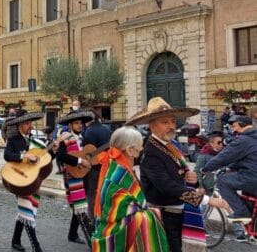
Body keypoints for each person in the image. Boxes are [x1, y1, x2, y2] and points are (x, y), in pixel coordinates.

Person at [130, 97, 229, 252]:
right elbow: (167, 186)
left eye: (173, 121)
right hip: (163, 215)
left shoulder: (170, 145)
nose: (171, 126)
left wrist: (193, 180)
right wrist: (206, 200)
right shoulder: (150, 152)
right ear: (152, 125)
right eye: (165, 122)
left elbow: (180, 172)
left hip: (176, 212)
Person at [92, 126, 169, 251]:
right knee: (147, 219)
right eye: (139, 146)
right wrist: (153, 213)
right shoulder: (119, 172)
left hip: (111, 225)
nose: (142, 149)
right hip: (115, 232)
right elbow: (121, 209)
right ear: (130, 150)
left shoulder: (117, 165)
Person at [4, 109, 55, 252]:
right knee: (27, 210)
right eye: (27, 123)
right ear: (20, 125)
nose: (30, 126)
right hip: (19, 180)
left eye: (30, 123)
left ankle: (15, 240)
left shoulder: (37, 141)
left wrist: (54, 151)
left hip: (34, 180)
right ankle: (36, 246)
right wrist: (24, 157)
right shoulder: (13, 140)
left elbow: (44, 160)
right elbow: (8, 156)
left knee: (25, 211)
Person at [201, 115, 257, 242]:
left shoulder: (243, 140)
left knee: (223, 181)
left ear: (241, 124)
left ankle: (242, 213)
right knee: (247, 196)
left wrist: (205, 169)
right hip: (253, 175)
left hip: (252, 177)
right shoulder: (253, 138)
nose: (233, 129)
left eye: (234, 125)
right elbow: (246, 158)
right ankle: (250, 221)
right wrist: (229, 168)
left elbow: (224, 156)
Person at [56, 111, 95, 246]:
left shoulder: (83, 139)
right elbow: (61, 156)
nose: (79, 125)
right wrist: (79, 161)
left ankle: (72, 234)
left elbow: (88, 155)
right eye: (76, 123)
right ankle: (92, 239)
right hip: (72, 177)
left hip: (84, 175)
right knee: (80, 205)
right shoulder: (65, 138)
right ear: (70, 124)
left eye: (81, 123)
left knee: (79, 206)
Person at [82, 110, 111, 218]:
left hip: (94, 167)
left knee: (92, 194)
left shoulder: (90, 131)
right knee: (104, 192)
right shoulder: (106, 129)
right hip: (107, 165)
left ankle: (93, 219)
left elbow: (86, 152)